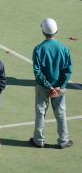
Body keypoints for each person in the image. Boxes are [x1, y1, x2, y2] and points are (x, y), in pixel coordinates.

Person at [31, 18, 74, 149]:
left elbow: (37, 71)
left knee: (40, 112)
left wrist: (48, 86)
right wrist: (59, 86)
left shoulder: (38, 49)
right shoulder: (63, 48)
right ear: (56, 31)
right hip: (59, 88)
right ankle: (63, 140)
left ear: (43, 32)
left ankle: (38, 139)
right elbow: (68, 70)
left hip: (43, 87)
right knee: (60, 113)